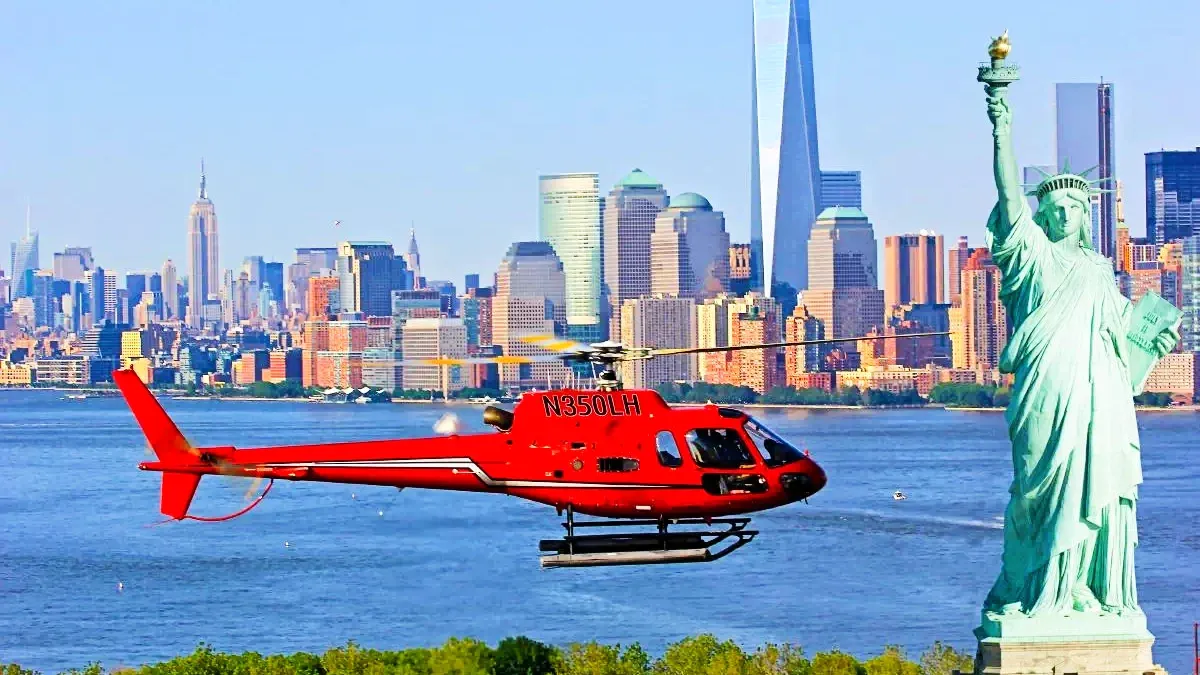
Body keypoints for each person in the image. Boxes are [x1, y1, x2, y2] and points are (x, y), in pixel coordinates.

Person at [981, 83, 1179, 617]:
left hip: (1100, 397)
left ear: (1085, 214)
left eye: (1074, 204)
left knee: (1099, 484)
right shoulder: (1032, 259)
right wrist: (1001, 125)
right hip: (1048, 389)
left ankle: (1081, 590)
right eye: (1056, 205)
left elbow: (1125, 341)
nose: (1065, 212)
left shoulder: (1098, 272)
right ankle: (1038, 587)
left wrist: (1155, 338)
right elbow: (1007, 195)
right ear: (1041, 216)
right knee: (1038, 488)